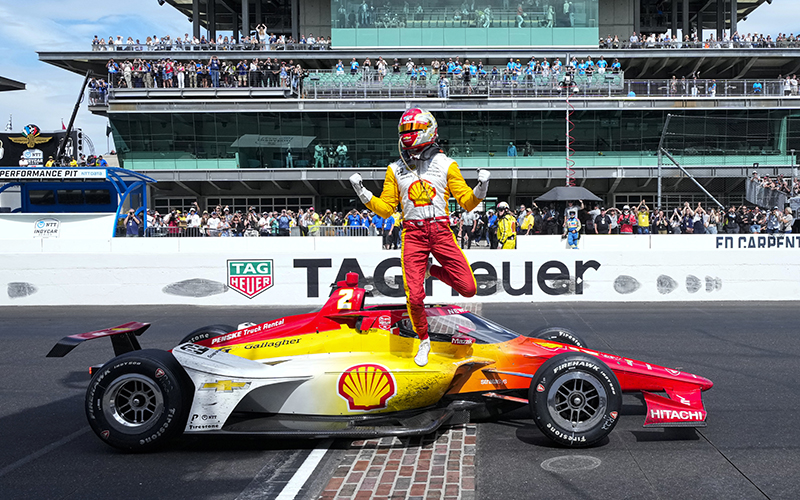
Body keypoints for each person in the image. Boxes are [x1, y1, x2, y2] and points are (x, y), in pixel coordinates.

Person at [349, 108, 490, 366]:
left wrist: (482, 187)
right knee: (414, 297)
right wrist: (361, 192)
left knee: (468, 289)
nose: (407, 136)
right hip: (413, 233)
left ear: (428, 131)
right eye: (404, 131)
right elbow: (386, 209)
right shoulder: (395, 169)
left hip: (441, 230)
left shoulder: (447, 164)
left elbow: (467, 203)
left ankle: (430, 270)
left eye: (412, 130)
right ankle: (423, 339)